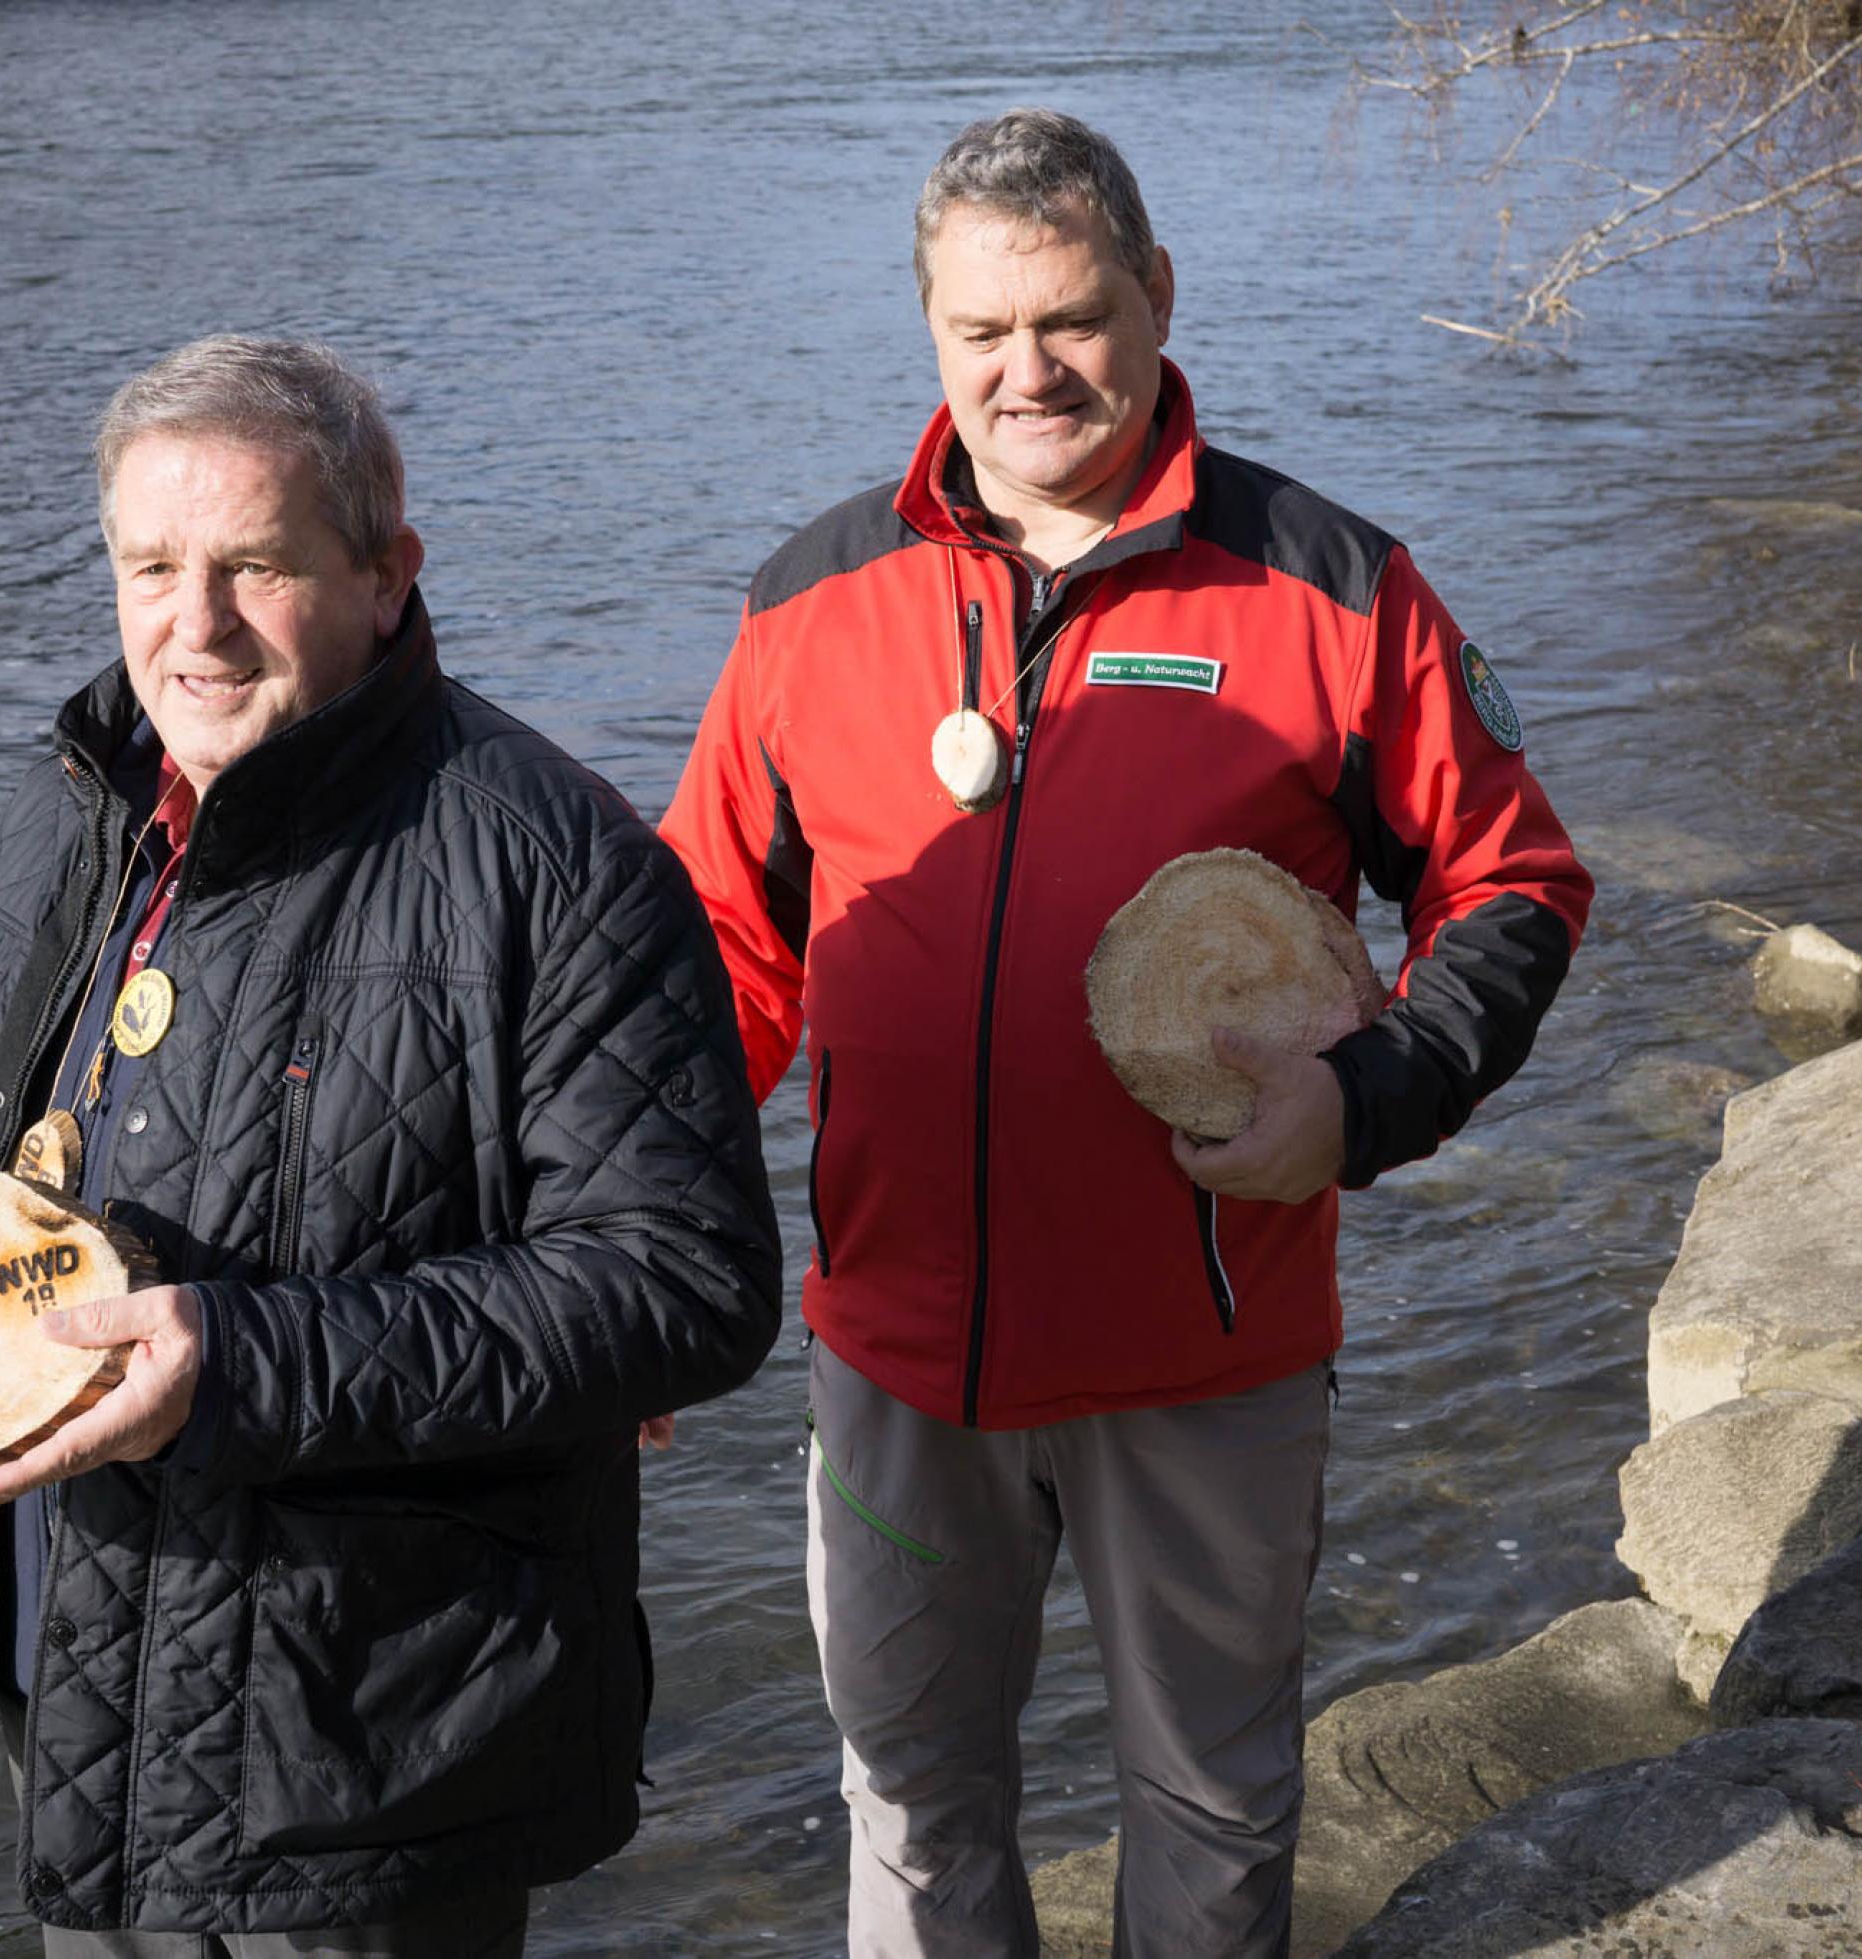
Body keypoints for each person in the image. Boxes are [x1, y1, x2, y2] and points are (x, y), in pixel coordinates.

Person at [0, 335, 780, 1956]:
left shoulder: (563, 866)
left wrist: (239, 1360)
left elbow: (684, 1285)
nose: (193, 625)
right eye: (151, 566)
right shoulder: (72, 805)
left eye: (254, 566)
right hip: (71, 1662)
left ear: (389, 575)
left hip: (371, 1738)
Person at [659, 110, 1593, 1957]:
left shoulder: (1330, 588)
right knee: (912, 1795)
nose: (1030, 373)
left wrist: (1372, 1096)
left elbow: (1514, 883)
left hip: (1212, 1339)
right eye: (981, 333)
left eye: (1072, 318)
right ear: (930, 332)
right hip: (899, 1352)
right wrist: (645, 1269)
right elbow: (715, 962)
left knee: (1214, 1801)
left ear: (1159, 297)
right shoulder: (808, 602)